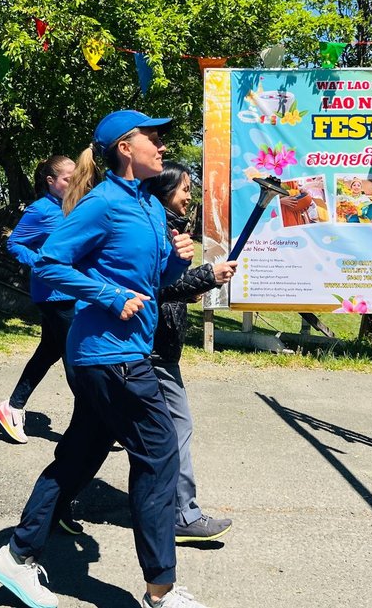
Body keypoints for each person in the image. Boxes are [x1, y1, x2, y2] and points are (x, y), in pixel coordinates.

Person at [0, 110, 203, 608]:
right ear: (125, 148)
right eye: (153, 138)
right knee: (159, 455)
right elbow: (49, 263)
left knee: (79, 455)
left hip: (124, 351)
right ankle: (161, 590)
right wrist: (108, 295)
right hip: (109, 355)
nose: (161, 146)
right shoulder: (102, 203)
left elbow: (154, 282)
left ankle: (17, 555)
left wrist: (179, 261)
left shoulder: (149, 205)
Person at [149, 162, 238, 545]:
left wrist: (193, 287)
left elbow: (165, 286)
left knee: (97, 436)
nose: (190, 195)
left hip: (158, 350)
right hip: (152, 351)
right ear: (165, 191)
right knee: (178, 428)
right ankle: (183, 515)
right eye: (185, 188)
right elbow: (152, 283)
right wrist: (207, 276)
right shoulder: (155, 228)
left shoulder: (168, 227)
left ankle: (53, 505)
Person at [0, 155, 77, 445]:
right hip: (54, 294)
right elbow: (14, 243)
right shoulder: (40, 209)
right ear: (51, 181)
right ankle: (95, 422)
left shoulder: (72, 207)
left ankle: (13, 406)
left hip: (72, 290)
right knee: (76, 357)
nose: (74, 183)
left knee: (49, 351)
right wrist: (41, 263)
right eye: (68, 179)